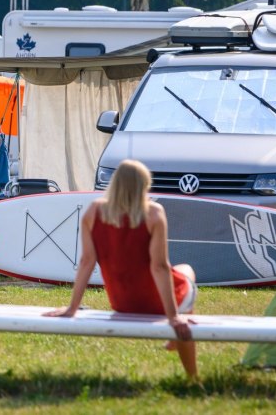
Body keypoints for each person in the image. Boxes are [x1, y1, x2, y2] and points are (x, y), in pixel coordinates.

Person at [44, 159, 198, 379]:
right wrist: (173, 316)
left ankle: (178, 337)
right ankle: (192, 375)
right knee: (187, 271)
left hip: (122, 302)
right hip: (157, 304)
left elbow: (87, 262)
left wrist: (72, 308)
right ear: (143, 186)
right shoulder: (154, 213)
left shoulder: (93, 211)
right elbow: (160, 267)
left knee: (182, 271)